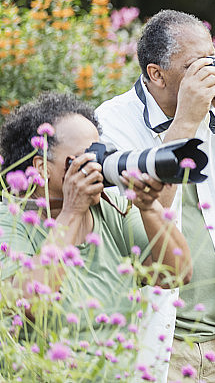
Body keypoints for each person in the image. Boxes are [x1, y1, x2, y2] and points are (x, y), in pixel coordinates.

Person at [95, 10, 215, 382]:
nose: (210, 75)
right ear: (156, 74)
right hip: (156, 342)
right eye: (195, 66)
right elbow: (139, 226)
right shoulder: (113, 122)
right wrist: (185, 120)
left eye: (212, 62)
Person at [0, 92, 190, 339]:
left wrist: (148, 205)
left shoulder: (111, 209)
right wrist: (71, 212)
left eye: (100, 152)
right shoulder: (10, 221)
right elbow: (29, 302)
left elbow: (177, 273)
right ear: (42, 168)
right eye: (84, 157)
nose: (97, 165)